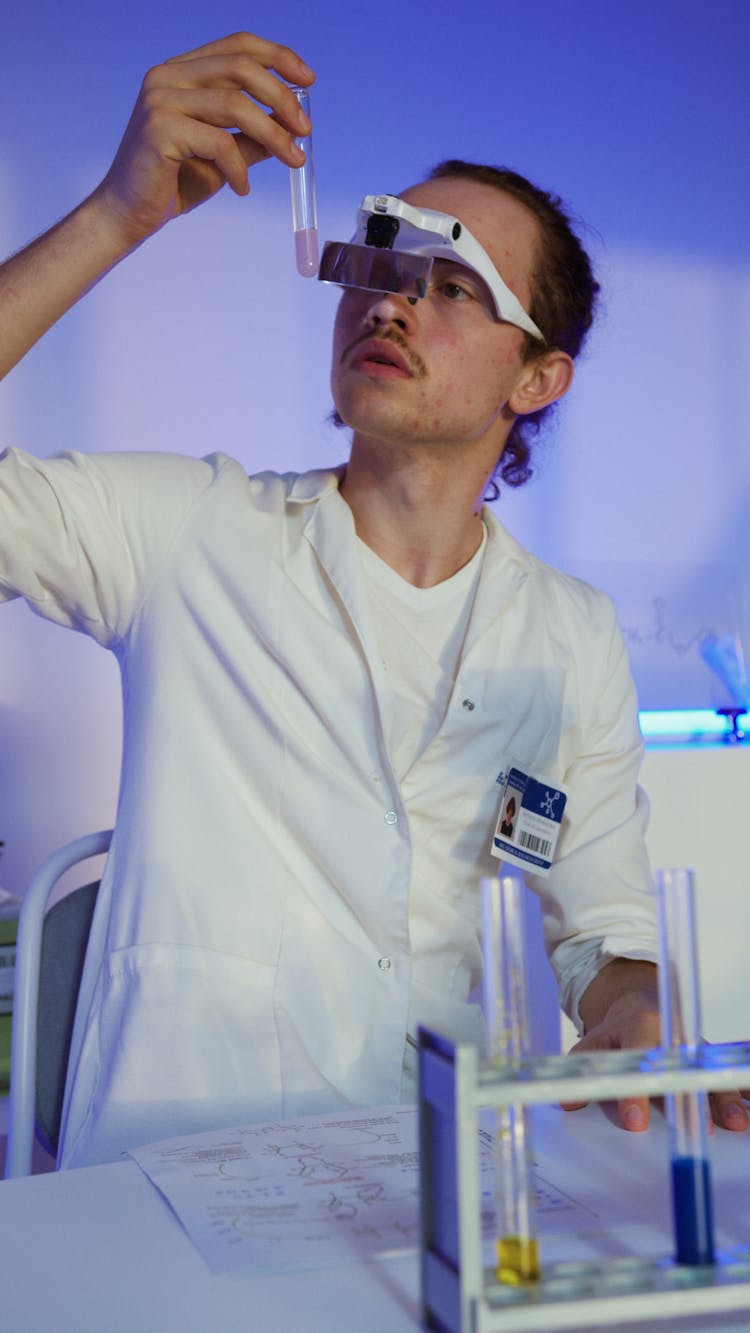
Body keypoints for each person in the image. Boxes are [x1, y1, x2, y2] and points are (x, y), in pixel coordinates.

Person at [0, 31, 746, 1167]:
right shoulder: (189, 536)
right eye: (386, 271)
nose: (393, 307)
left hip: (434, 1189)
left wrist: (634, 1015)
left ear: (538, 376)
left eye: (452, 288)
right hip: (168, 1190)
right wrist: (118, 215)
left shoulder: (570, 636)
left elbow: (606, 936)